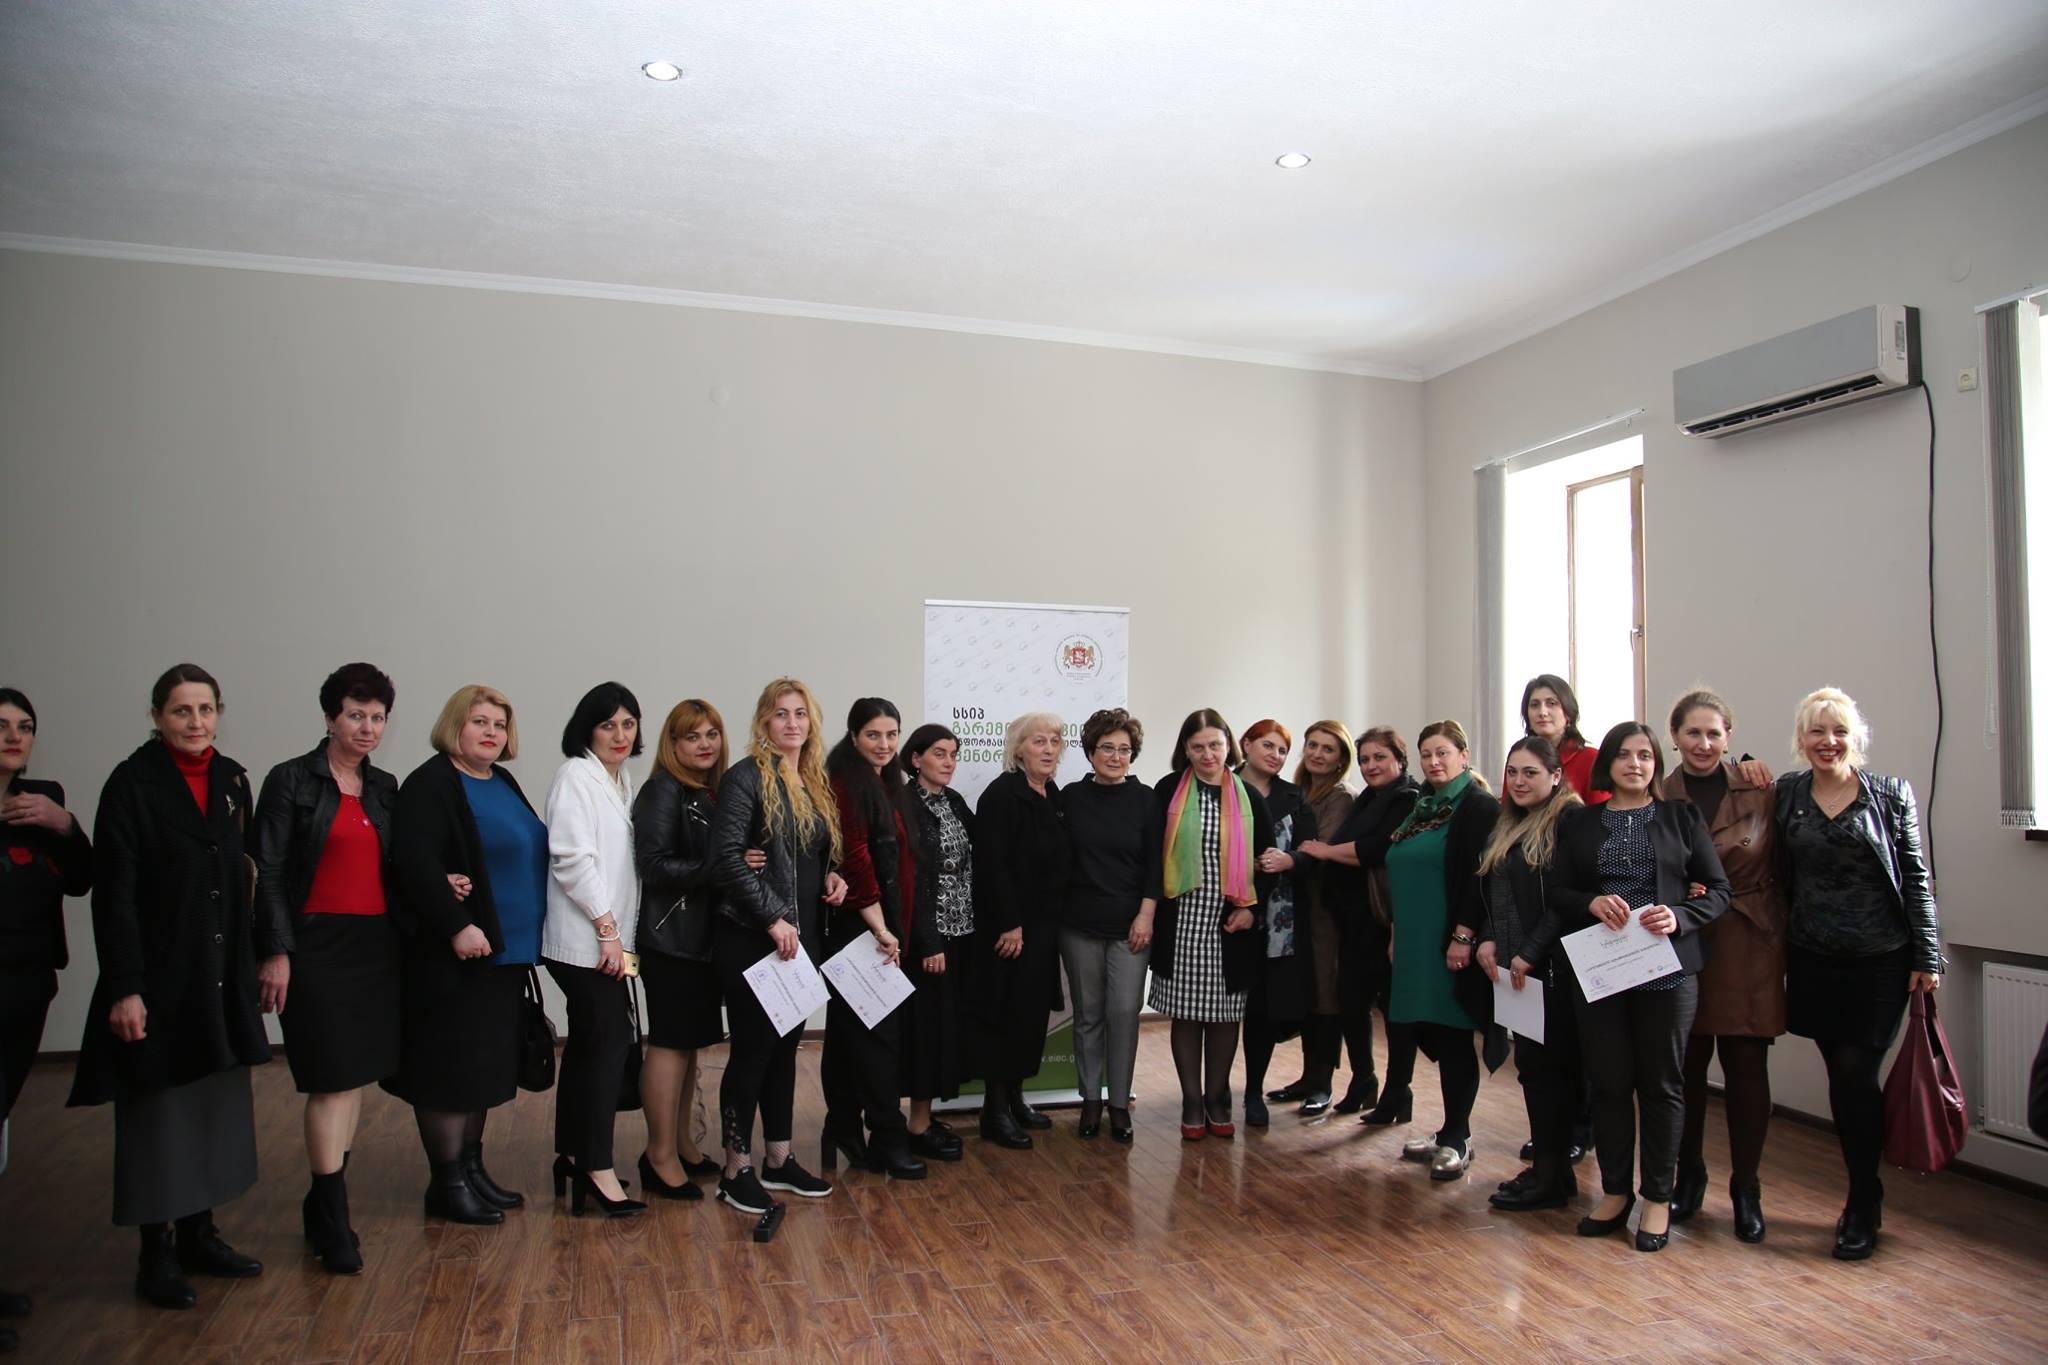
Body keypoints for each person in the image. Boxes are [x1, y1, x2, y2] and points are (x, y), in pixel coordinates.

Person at [68, 664, 268, 1309]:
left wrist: (260, 960)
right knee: (157, 1116)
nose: (196, 722)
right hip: (160, 978)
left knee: (209, 1107)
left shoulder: (232, 781)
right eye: (182, 710)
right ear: (157, 717)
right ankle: (155, 1252)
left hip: (220, 975)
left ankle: (198, 1234)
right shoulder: (131, 785)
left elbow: (247, 875)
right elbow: (115, 896)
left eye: (206, 709)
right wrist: (126, 987)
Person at [1548, 722, 1730, 1252]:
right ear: (1608, 762)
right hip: (1601, 969)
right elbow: (1557, 890)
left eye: (1645, 755)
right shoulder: (1579, 821)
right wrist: (1590, 902)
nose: (1635, 764)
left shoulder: (1681, 817)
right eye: (1625, 755)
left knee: (1662, 1085)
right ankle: (1614, 1192)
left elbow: (1720, 890)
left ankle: (1657, 1198)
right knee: (1607, 1083)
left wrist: (1680, 916)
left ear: (1656, 763)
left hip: (1666, 970)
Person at [1775, 687, 1943, 1261]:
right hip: (1813, 956)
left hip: (1880, 958)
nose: (1829, 741)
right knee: (1841, 1077)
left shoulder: (1890, 795)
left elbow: (1916, 876)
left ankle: (1862, 1200)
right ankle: (1864, 1190)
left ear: (1856, 738)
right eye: (1817, 731)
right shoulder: (1787, 793)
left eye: (1839, 731)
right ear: (1802, 739)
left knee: (1855, 1071)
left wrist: (1927, 955)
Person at [249, 663, 403, 1274]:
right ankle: (334, 1217)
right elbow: (267, 872)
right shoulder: (290, 780)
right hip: (314, 946)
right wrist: (276, 950)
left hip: (374, 946)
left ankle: (321, 1206)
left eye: (377, 717)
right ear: (330, 718)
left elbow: (393, 864)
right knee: (331, 1078)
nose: (368, 727)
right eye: (355, 715)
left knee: (355, 1075)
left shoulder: (384, 786)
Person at [384, 685, 546, 1226]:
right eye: (480, 721)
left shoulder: (500, 780)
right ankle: (447, 1183)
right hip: (455, 955)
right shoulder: (431, 784)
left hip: (504, 953)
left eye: (499, 724)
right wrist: (456, 924)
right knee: (448, 1070)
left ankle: (472, 1170)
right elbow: (412, 861)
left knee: (482, 1067)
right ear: (455, 724)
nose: (491, 732)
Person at [708, 678, 848, 1214]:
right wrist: (771, 916)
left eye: (800, 714)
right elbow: (726, 859)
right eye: (781, 713)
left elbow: (811, 856)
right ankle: (734, 1169)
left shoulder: (812, 778)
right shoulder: (747, 776)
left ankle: (778, 1159)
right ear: (765, 721)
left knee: (786, 1050)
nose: (792, 723)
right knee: (753, 1052)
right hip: (753, 937)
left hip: (801, 937)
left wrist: (833, 875)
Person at [1662, 689, 1785, 1244]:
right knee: (1683, 1069)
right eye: (1693, 732)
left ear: (1729, 737)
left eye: (1714, 733)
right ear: (1675, 737)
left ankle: (1746, 1189)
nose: (1704, 743)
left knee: (1746, 1068)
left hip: (1746, 940)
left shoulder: (1760, 790)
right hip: (1682, 940)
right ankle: (1688, 1177)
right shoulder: (1661, 793)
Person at [0, 688, 93, 1345]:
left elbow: (83, 878)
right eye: (2, 725)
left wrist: (65, 824)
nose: (15, 735)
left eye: (25, 726)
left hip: (28, 985)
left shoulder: (41, 803)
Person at [540, 683, 648, 1217]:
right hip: (586, 941)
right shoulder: (576, 776)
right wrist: (608, 931)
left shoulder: (619, 780)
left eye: (628, 724)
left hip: (609, 942)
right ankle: (597, 1168)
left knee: (588, 1046)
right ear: (588, 729)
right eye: (608, 725)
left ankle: (572, 1155)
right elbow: (571, 859)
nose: (620, 735)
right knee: (608, 1046)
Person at [1381, 720, 1501, 1181]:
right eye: (1427, 754)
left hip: (1450, 941)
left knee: (1452, 1035)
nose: (1434, 762)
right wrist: (1396, 933)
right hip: (1413, 941)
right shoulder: (1423, 806)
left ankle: (1458, 1136)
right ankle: (1448, 1128)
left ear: (1464, 756)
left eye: (1443, 753)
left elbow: (1479, 876)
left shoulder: (1477, 806)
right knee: (1424, 1028)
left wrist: (1464, 936)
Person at [1146, 709, 1273, 1141]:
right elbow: (1151, 855)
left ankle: (1217, 1096)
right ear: (1185, 749)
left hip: (1230, 923)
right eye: (1197, 747)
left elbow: (1268, 862)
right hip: (1180, 921)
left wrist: (1253, 908)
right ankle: (1191, 1101)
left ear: (1228, 746)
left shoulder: (1248, 796)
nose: (1207, 754)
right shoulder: (1167, 791)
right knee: (1185, 1014)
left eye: (1215, 745)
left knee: (1224, 1015)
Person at [1473, 736, 1583, 1212]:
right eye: (1513, 772)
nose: (1518, 781)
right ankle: (1550, 1171)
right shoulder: (1512, 819)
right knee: (1535, 1071)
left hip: (1554, 968)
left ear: (1556, 776)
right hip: (1517, 968)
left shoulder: (1569, 820)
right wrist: (1488, 938)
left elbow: (1566, 900)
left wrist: (1530, 952)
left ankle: (1552, 1176)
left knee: (1552, 1074)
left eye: (1530, 772)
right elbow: (1496, 891)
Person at [631, 698, 732, 1199]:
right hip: (670, 941)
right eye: (692, 736)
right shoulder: (662, 790)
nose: (705, 744)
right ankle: (659, 1155)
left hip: (701, 942)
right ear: (673, 744)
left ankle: (683, 1145)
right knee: (669, 1044)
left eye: (711, 734)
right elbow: (654, 865)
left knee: (690, 1045)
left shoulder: (709, 792)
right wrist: (722, 867)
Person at [821, 698, 922, 1179]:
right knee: (881, 1039)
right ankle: (887, 1138)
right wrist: (881, 930)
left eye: (891, 734)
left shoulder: (887, 781)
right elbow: (856, 860)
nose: (884, 744)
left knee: (849, 1035)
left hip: (881, 924)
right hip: (860, 927)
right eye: (873, 735)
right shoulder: (847, 782)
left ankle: (841, 1126)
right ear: (853, 736)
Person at [968, 712, 1073, 1150]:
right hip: (1009, 930)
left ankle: (1015, 1099)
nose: (1048, 749)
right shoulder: (1001, 796)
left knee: (1029, 1016)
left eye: (1054, 741)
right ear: (1018, 749)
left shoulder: (1052, 793)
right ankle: (993, 1111)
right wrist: (1010, 923)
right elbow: (992, 866)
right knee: (1006, 1017)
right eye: (1038, 741)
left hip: (1044, 928)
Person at [1303, 726, 1420, 1119]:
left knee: (1395, 1012)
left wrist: (1327, 851)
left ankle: (1397, 1092)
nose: (1371, 765)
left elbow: (1380, 849)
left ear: (1399, 760)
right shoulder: (1368, 797)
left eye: (1380, 757)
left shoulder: (1408, 797)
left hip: (1387, 922)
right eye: (1366, 759)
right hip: (1355, 923)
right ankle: (1363, 1079)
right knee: (1351, 1003)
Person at [1056, 708, 1161, 1143]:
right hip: (1079, 923)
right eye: (1107, 748)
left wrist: (1146, 915)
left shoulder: (1146, 800)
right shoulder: (1070, 798)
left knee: (1123, 1014)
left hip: (1131, 926)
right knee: (1088, 1016)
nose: (1116, 757)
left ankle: (1118, 1104)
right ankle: (1090, 1102)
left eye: (1124, 749)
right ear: (1090, 752)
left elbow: (1157, 864)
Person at [1265, 719, 1358, 1117]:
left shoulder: (1341, 797)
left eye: (1328, 749)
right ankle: (1307, 1077)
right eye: (1313, 745)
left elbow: (1319, 848)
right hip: (1295, 907)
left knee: (1325, 996)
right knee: (1305, 992)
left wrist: (1294, 853)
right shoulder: (1297, 790)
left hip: (1325, 912)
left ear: (1341, 759)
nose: (1318, 754)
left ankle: (1322, 1082)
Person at [894, 724, 974, 1159]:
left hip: (960, 931)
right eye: (939, 753)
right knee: (923, 1031)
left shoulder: (954, 801)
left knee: (944, 1028)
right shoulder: (904, 804)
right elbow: (912, 881)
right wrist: (928, 942)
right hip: (928, 938)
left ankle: (924, 1117)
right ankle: (917, 1125)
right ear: (915, 759)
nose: (949, 762)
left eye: (953, 754)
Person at [1235, 719, 1318, 1127]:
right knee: (1214, 1009)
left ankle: (1253, 1090)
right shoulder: (1222, 787)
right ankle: (1207, 1091)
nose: (1275, 755)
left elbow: (1311, 852)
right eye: (1267, 746)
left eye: (1283, 750)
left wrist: (1291, 860)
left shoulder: (1294, 796)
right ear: (1246, 744)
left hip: (1278, 920)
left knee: (1263, 1011)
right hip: (1227, 915)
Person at [1522, 674, 1604, 803]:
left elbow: (1601, 812)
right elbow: (1508, 811)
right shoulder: (1519, 758)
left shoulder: (1591, 759)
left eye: (1551, 703)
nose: (1542, 712)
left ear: (1568, 714)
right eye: (1534, 705)